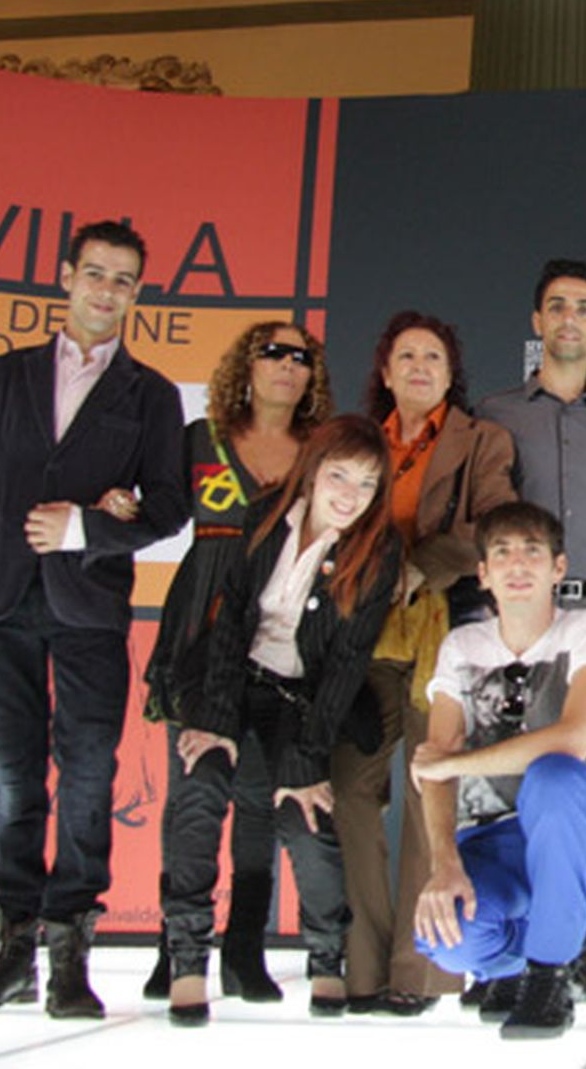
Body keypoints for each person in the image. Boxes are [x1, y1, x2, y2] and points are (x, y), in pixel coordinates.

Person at [0, 220, 187, 1019]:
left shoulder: (152, 394)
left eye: (124, 280)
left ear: (137, 295)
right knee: (14, 777)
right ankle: (13, 950)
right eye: (96, 273)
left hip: (88, 609)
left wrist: (85, 527)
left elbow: (169, 508)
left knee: (86, 775)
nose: (107, 290)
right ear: (67, 276)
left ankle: (71, 949)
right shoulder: (7, 374)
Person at [162, 414, 401, 1026]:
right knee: (200, 785)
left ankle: (326, 958)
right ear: (314, 470)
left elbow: (346, 665)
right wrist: (216, 718)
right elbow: (230, 618)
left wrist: (306, 759)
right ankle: (186, 957)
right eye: (339, 475)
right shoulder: (265, 516)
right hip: (228, 680)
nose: (350, 495)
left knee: (303, 813)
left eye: (367, 484)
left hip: (303, 699)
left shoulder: (379, 551)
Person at [140, 320, 332, 1002]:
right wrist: (118, 506)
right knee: (194, 781)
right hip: (203, 620)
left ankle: (245, 950)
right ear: (245, 364)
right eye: (271, 352)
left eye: (300, 357)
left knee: (256, 794)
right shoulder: (199, 437)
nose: (286, 365)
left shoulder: (321, 450)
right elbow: (161, 510)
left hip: (280, 626)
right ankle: (175, 948)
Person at [332, 311, 516, 1015]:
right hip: (360, 636)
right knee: (350, 790)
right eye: (405, 355)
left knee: (428, 792)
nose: (418, 366)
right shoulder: (356, 442)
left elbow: (493, 524)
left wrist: (419, 566)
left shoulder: (481, 440)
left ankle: (421, 967)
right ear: (385, 371)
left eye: (432, 356)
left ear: (450, 373)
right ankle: (364, 963)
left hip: (442, 631)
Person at [475, 258, 586, 1001]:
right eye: (557, 306)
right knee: (502, 775)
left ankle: (578, 947)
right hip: (514, 616)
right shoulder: (495, 414)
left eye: (583, 308)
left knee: (585, 777)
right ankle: (501, 949)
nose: (569, 318)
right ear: (537, 321)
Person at [413, 501, 586, 1039]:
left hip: (575, 836)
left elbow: (572, 739)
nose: (517, 565)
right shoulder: (462, 646)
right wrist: (444, 864)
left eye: (532, 552)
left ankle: (549, 975)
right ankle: (508, 968)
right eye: (502, 553)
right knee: (446, 936)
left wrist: (457, 762)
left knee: (555, 775)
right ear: (483, 574)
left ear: (559, 568)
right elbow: (434, 768)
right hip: (490, 842)